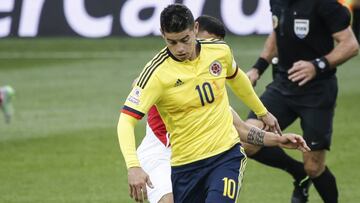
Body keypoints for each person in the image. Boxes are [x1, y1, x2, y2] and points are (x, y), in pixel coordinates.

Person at [117, 4, 309, 203]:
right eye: (172, 42)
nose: (180, 49)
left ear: (195, 29)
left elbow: (238, 83)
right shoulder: (156, 76)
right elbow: (125, 121)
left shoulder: (218, 54)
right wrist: (133, 166)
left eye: (185, 40)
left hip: (224, 156)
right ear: (162, 36)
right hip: (172, 157)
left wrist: (264, 115)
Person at [245, 0, 359, 202]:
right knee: (247, 140)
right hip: (283, 85)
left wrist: (317, 65)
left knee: (314, 167)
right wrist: (257, 68)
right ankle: (299, 173)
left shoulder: (324, 4)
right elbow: (276, 30)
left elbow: (350, 45)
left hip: (317, 91)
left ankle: (309, 176)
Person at [135, 15, 226, 203]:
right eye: (204, 42)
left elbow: (237, 125)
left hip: (196, 155)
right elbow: (137, 87)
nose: (207, 50)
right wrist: (133, 166)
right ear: (193, 31)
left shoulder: (210, 87)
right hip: (161, 152)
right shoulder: (163, 72)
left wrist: (271, 136)